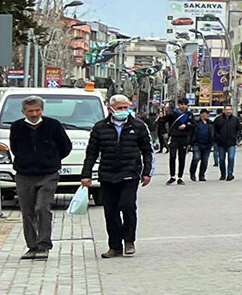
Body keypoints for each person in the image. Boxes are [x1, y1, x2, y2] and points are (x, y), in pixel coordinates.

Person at [80, 94, 152, 258]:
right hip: (107, 174)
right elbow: (91, 153)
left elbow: (147, 151)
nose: (123, 111)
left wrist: (147, 172)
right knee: (110, 211)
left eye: (126, 108)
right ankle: (114, 245)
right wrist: (86, 174)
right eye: (120, 108)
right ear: (110, 109)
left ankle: (129, 241)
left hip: (130, 173)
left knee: (127, 206)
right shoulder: (100, 127)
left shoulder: (138, 126)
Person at [9, 95, 73, 260]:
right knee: (27, 211)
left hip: (48, 174)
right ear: (24, 111)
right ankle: (32, 246)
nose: (34, 114)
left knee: (42, 207)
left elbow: (65, 146)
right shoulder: (16, 127)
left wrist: (52, 160)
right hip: (24, 175)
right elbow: (14, 147)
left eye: (37, 110)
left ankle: (44, 244)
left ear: (42, 110)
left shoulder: (53, 125)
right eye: (30, 111)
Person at [163, 102, 192, 184]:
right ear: (179, 105)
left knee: (182, 158)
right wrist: (164, 132)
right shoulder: (172, 114)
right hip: (174, 137)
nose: (183, 106)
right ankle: (172, 176)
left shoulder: (189, 114)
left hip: (184, 138)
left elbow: (194, 125)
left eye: (185, 104)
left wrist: (186, 126)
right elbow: (162, 122)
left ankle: (180, 177)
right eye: (182, 104)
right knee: (172, 156)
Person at [211, 107, 242, 181]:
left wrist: (237, 137)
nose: (228, 111)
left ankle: (230, 174)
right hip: (221, 143)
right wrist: (216, 138)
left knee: (231, 158)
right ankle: (223, 174)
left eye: (230, 109)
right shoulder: (218, 119)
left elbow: (239, 130)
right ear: (224, 110)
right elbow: (214, 130)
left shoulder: (235, 119)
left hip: (231, 142)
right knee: (221, 159)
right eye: (227, 110)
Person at [188, 111, 214, 182]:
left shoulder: (210, 123)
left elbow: (213, 132)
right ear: (202, 114)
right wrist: (190, 143)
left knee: (205, 160)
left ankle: (201, 175)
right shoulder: (196, 123)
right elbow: (191, 133)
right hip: (197, 144)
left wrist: (212, 141)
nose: (208, 115)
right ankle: (192, 173)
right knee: (196, 158)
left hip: (207, 144)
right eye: (206, 114)